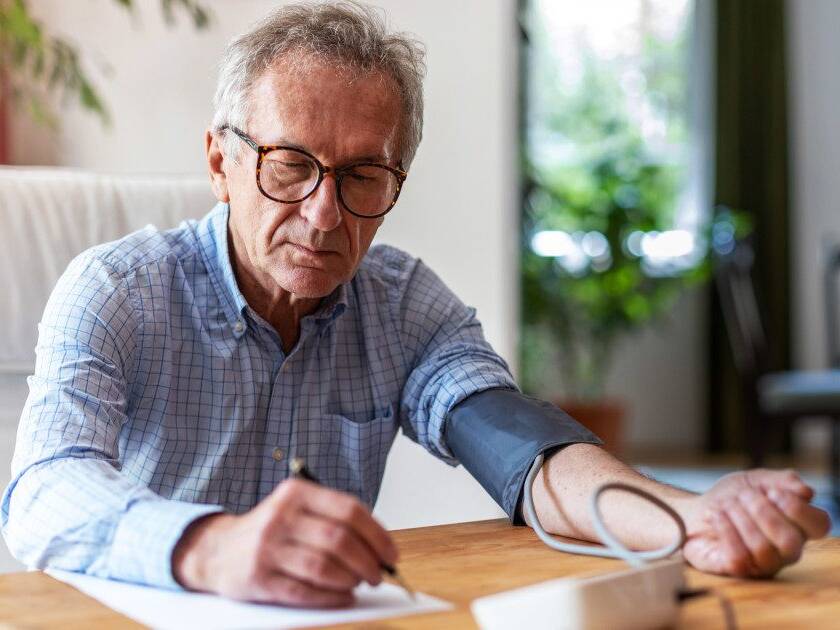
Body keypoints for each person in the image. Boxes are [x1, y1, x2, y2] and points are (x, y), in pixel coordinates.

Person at [1, 1, 829, 609]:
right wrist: (212, 548)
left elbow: (523, 451)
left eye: (364, 176)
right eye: (290, 164)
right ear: (220, 160)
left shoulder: (400, 305)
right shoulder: (115, 290)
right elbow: (42, 492)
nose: (325, 215)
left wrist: (692, 518)